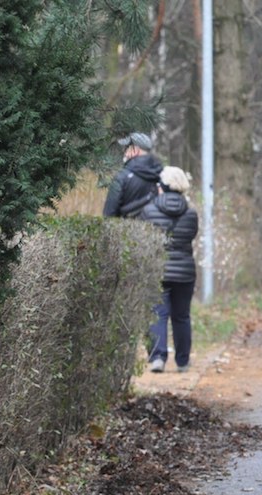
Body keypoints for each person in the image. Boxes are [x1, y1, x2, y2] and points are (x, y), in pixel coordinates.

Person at [139, 167, 199, 373]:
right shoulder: (191, 213)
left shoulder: (148, 211)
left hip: (158, 269)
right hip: (185, 271)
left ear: (162, 186)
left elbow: (143, 237)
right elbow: (191, 235)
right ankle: (182, 361)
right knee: (182, 316)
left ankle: (158, 357)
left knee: (158, 313)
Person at [102, 132, 163, 218]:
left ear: (136, 150)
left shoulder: (122, 177)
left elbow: (109, 214)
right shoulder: (163, 176)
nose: (125, 153)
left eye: (127, 148)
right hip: (154, 226)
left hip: (126, 226)